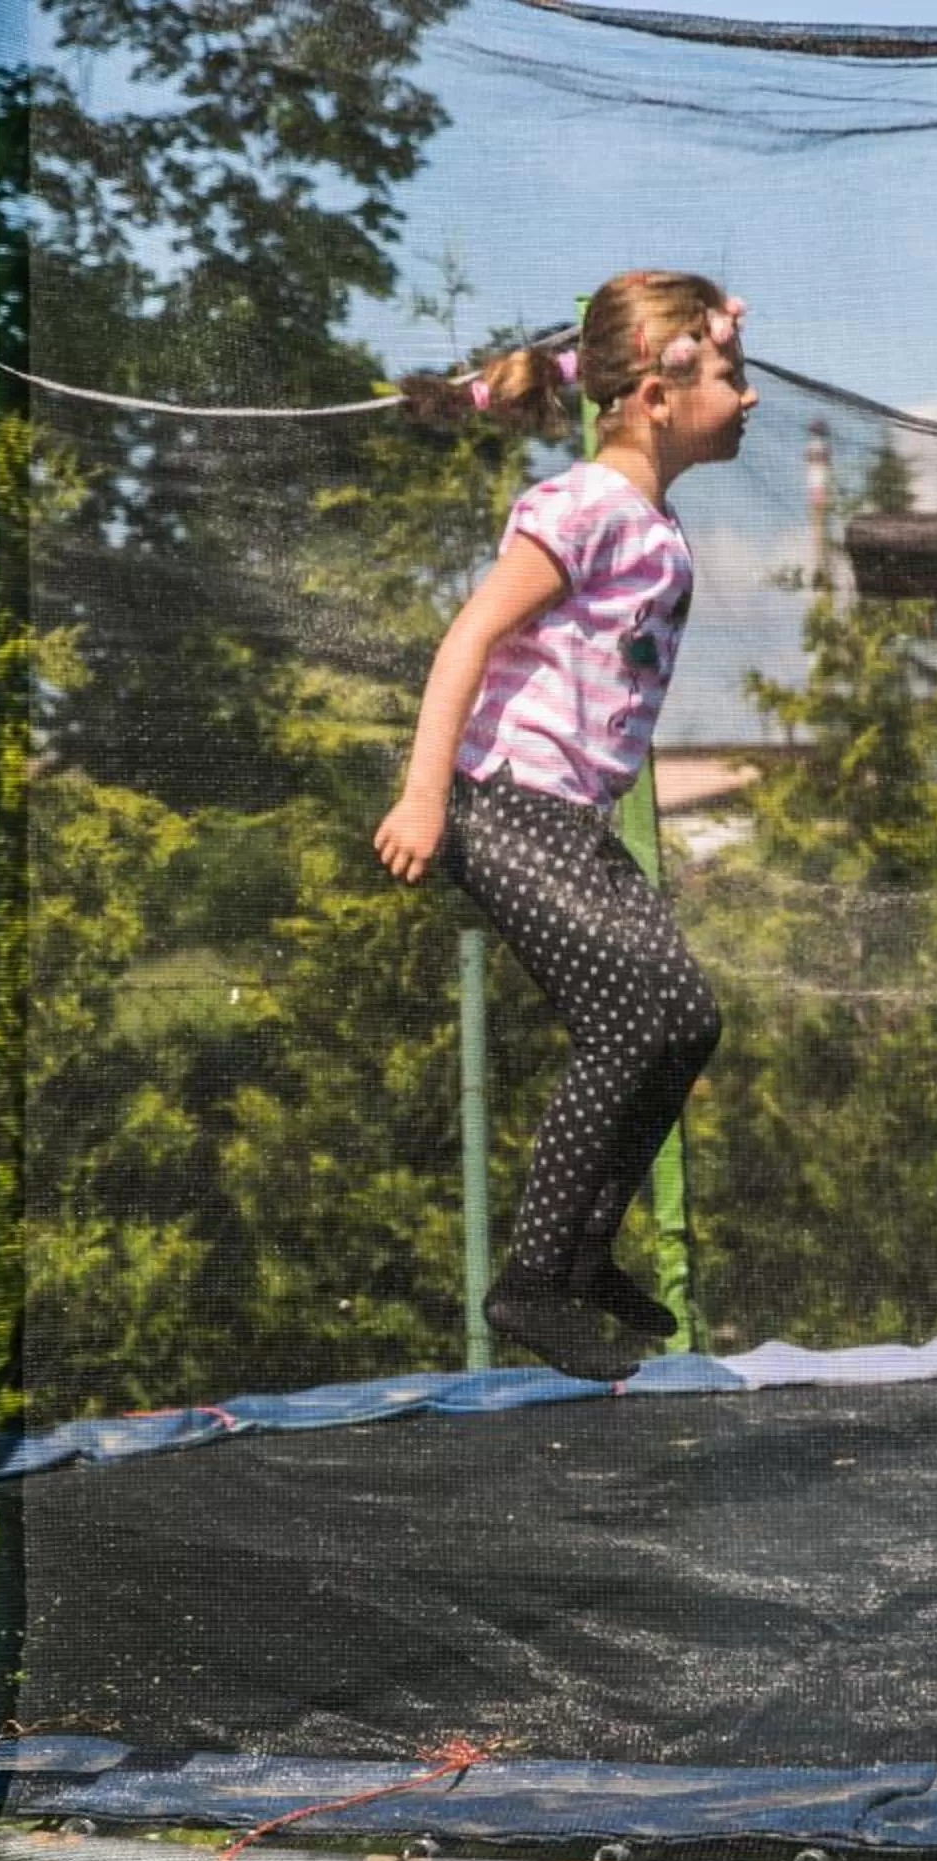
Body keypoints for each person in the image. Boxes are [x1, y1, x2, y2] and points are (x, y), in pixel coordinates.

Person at [375, 270, 756, 1380]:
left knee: (686, 1020)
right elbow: (468, 640)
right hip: (503, 803)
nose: (747, 399)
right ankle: (532, 1279)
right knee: (638, 1016)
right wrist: (423, 794)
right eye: (732, 376)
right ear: (655, 393)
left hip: (567, 819)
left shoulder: (654, 524)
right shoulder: (581, 508)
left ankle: (584, 1253)